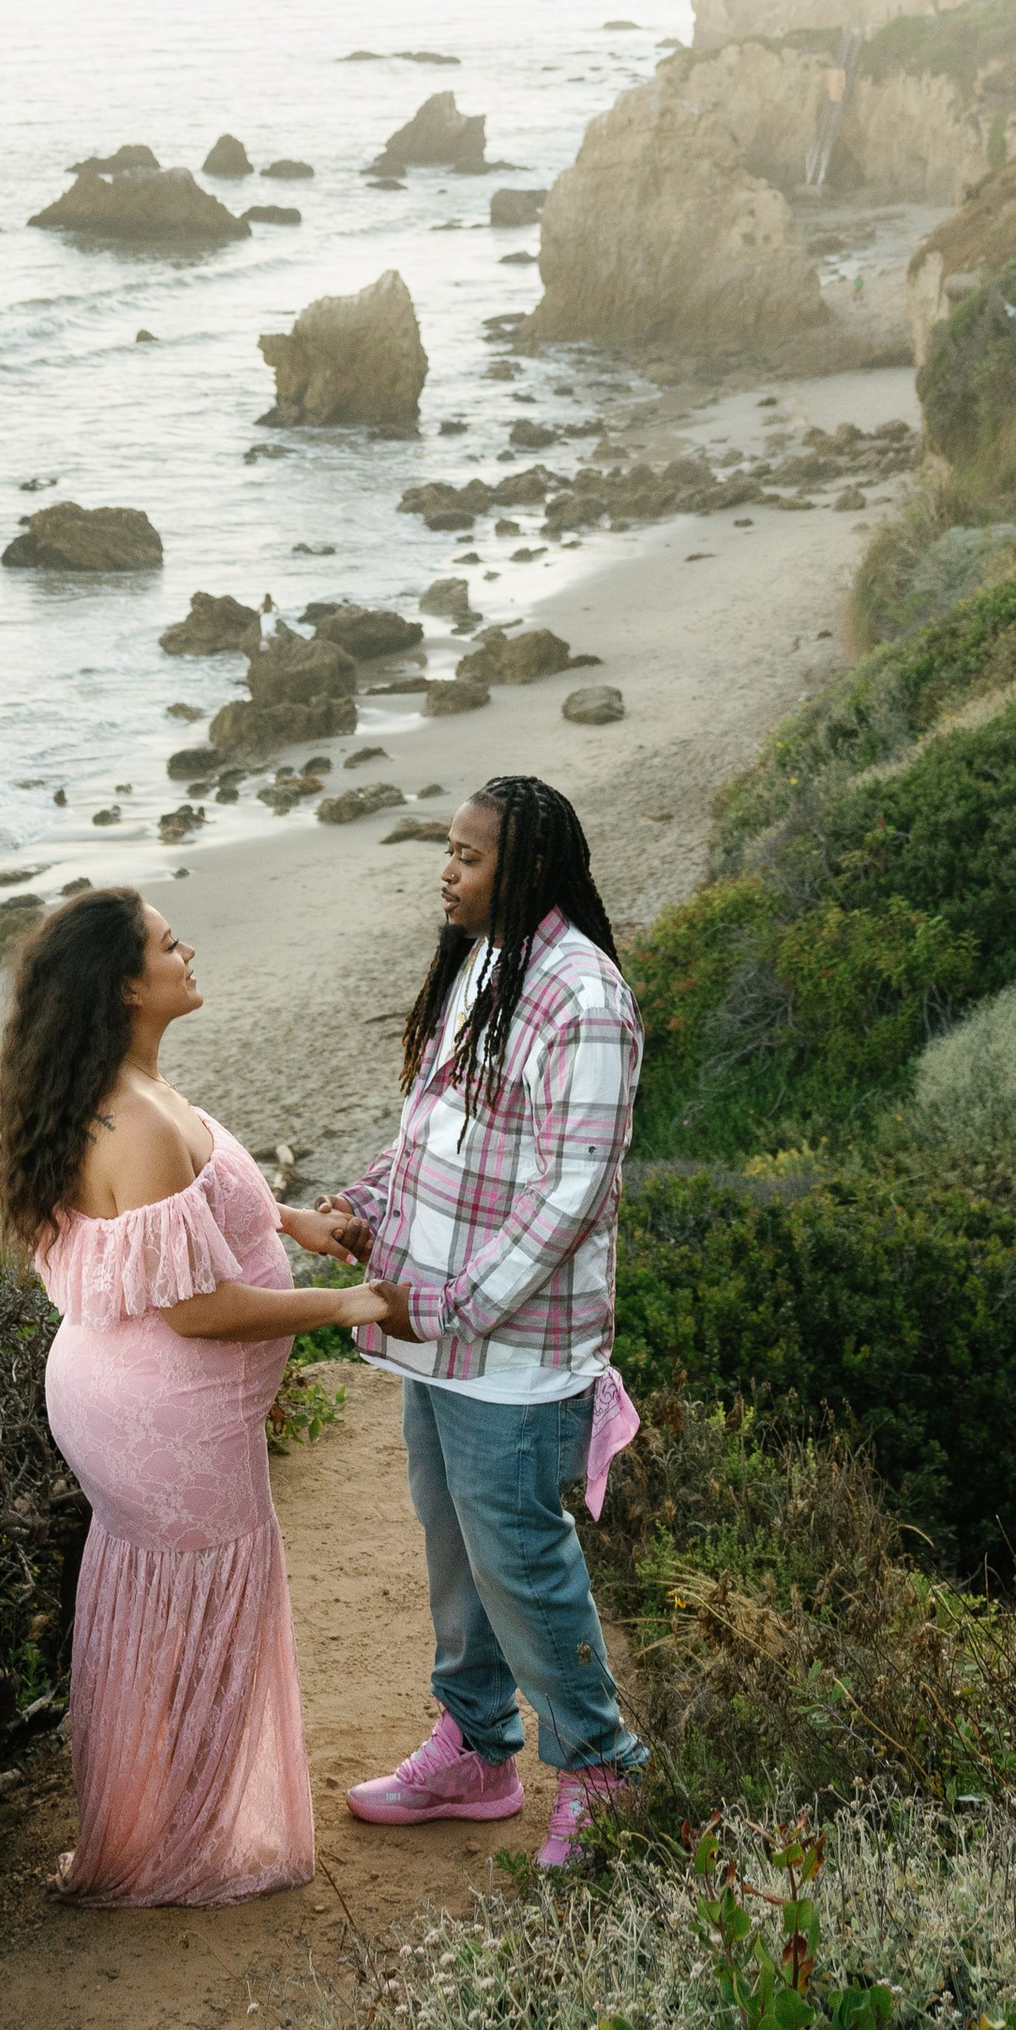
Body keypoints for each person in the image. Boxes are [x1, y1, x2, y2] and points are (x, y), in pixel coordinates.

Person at [0, 887, 389, 1908]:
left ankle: (162, 1821)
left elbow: (199, 1214)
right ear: (128, 984)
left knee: (172, 1613)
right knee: (202, 1616)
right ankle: (182, 1848)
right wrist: (347, 1303)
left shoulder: (135, 1088)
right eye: (170, 944)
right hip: (163, 1416)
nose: (188, 950)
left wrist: (298, 1226)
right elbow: (202, 1310)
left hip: (142, 1404)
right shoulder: (132, 1121)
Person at [331, 773, 649, 1870]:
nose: (446, 872)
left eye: (467, 856)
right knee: (454, 1544)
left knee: (519, 1558)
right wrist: (364, 1210)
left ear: (526, 870)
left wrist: (456, 1303)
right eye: (449, 851)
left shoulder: (584, 998)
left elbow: (572, 1193)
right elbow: (429, 1131)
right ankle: (476, 1749)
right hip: (441, 1340)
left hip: (513, 1352)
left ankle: (602, 1769)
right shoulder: (483, 965)